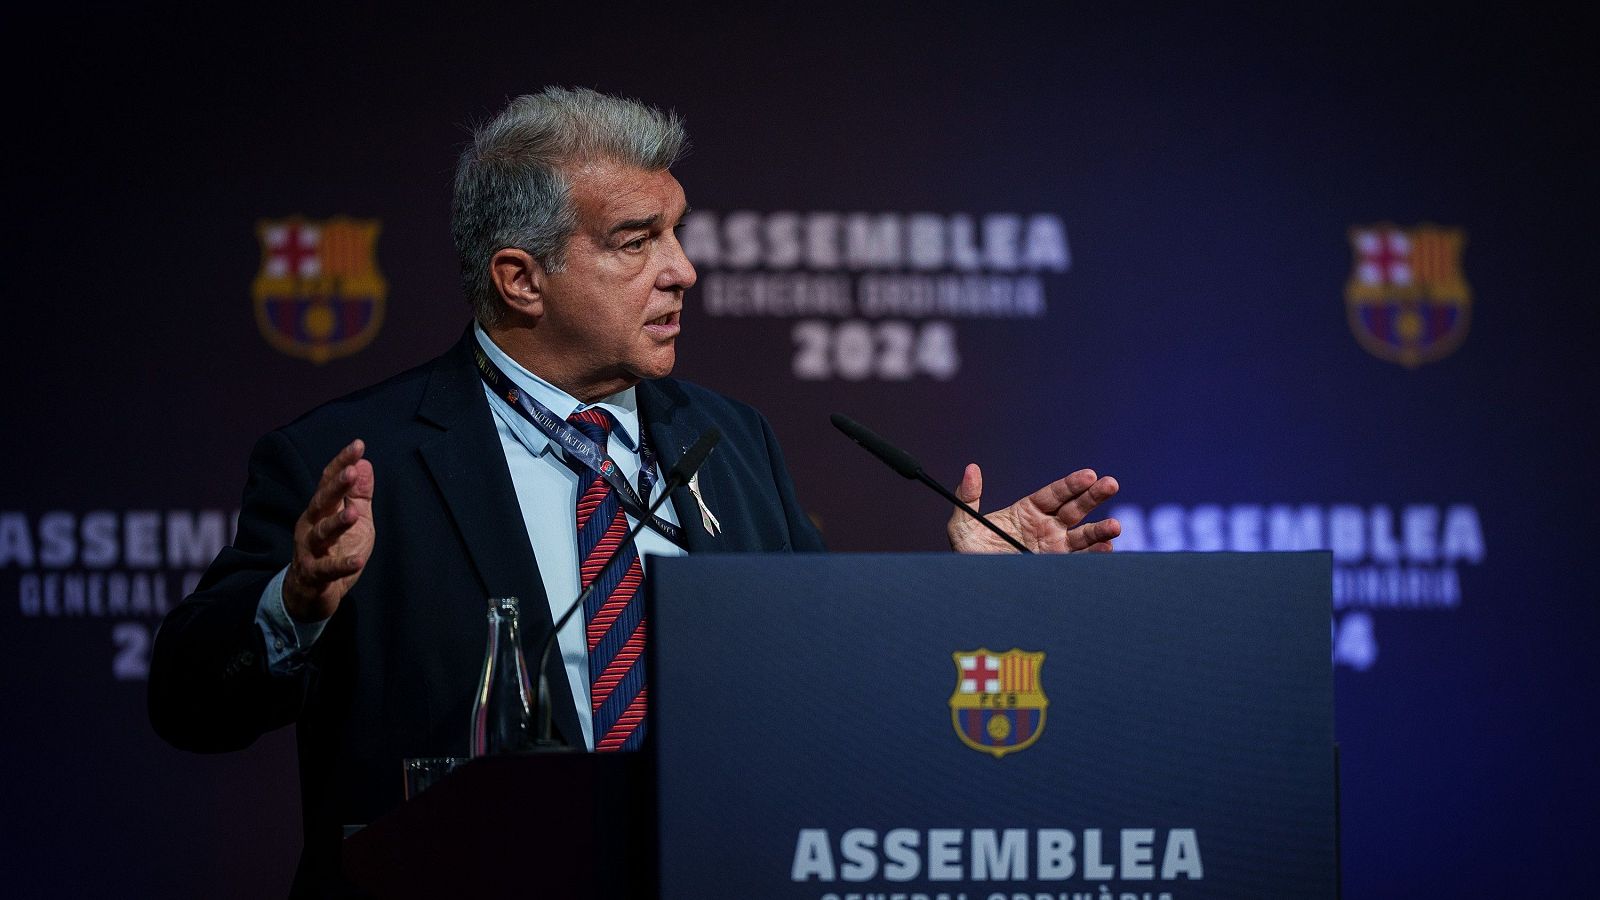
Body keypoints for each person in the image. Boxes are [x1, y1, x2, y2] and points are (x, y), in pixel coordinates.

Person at [148, 86, 1121, 895]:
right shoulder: (356, 458)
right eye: (635, 240)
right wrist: (297, 601)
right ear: (521, 279)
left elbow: (823, 683)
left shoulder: (727, 438)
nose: (684, 270)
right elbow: (191, 705)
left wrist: (968, 594)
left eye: (679, 232)